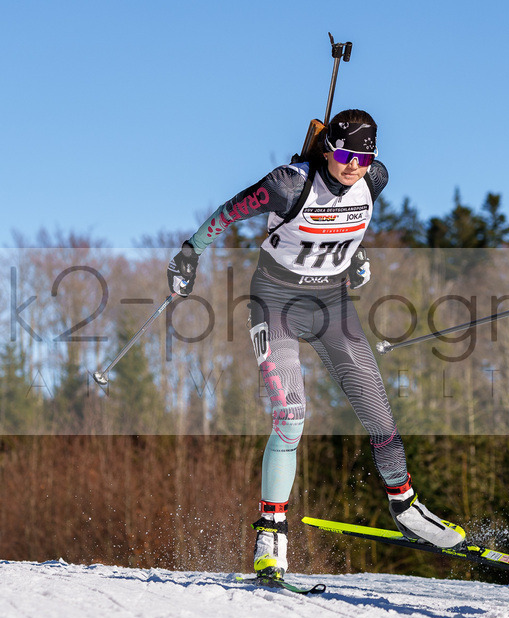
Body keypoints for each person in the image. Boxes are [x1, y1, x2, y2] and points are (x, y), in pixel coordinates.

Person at [166, 109, 465, 580]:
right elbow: (229, 212)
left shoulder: (376, 179)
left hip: (332, 305)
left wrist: (357, 255)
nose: (354, 166)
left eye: (364, 157)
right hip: (276, 303)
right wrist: (190, 252)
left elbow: (347, 222)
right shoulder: (288, 185)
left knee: (377, 410)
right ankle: (271, 532)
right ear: (328, 149)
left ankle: (405, 507)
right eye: (345, 154)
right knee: (291, 416)